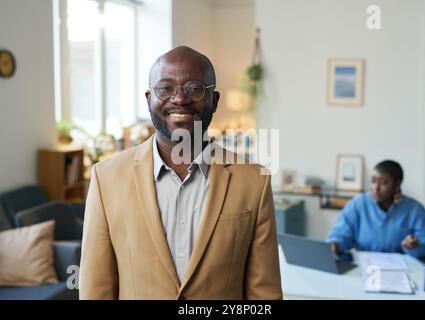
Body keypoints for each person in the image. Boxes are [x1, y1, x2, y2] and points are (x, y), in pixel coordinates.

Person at [79, 46, 282, 299]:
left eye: (195, 88)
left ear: (214, 100)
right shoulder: (106, 179)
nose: (180, 99)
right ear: (148, 98)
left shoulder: (254, 181)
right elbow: (95, 289)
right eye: (165, 88)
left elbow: (264, 294)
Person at [328, 160, 425, 259]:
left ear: (397, 184)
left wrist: (415, 246)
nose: (376, 188)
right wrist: (335, 244)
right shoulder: (357, 204)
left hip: (402, 270)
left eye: (384, 183)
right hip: (364, 267)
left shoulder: (415, 210)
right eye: (373, 181)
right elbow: (340, 235)